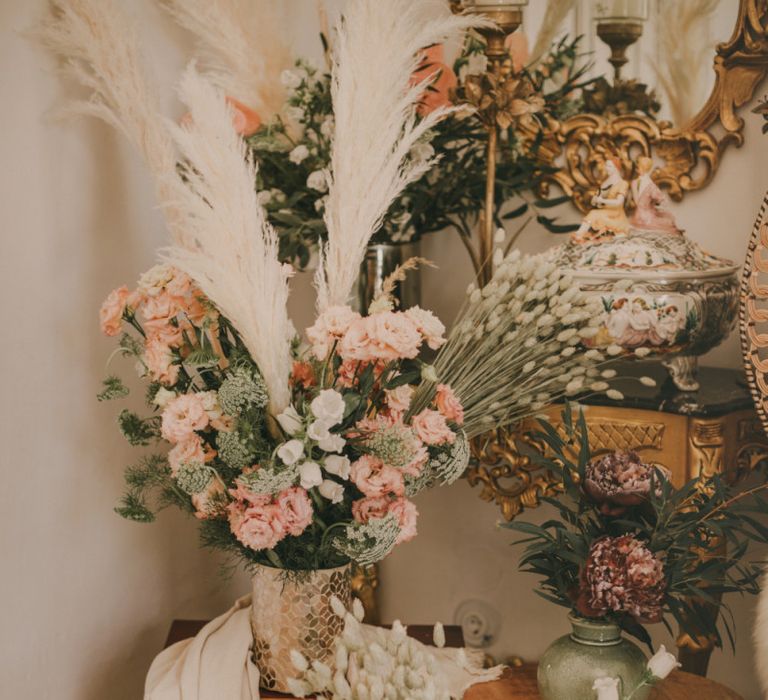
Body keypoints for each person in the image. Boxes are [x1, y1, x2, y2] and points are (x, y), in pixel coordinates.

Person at [572, 157, 631, 244]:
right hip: (606, 209)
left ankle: (579, 234)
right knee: (594, 213)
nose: (607, 168)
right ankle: (580, 235)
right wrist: (596, 201)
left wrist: (603, 200)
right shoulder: (606, 182)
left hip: (615, 212)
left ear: (616, 168)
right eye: (606, 165)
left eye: (609, 166)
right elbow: (598, 197)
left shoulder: (623, 183)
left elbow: (619, 202)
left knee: (593, 213)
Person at [630, 156, 682, 234]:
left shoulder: (634, 182)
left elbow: (637, 202)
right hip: (647, 218)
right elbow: (662, 200)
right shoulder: (650, 184)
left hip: (637, 216)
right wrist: (654, 205)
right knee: (668, 221)